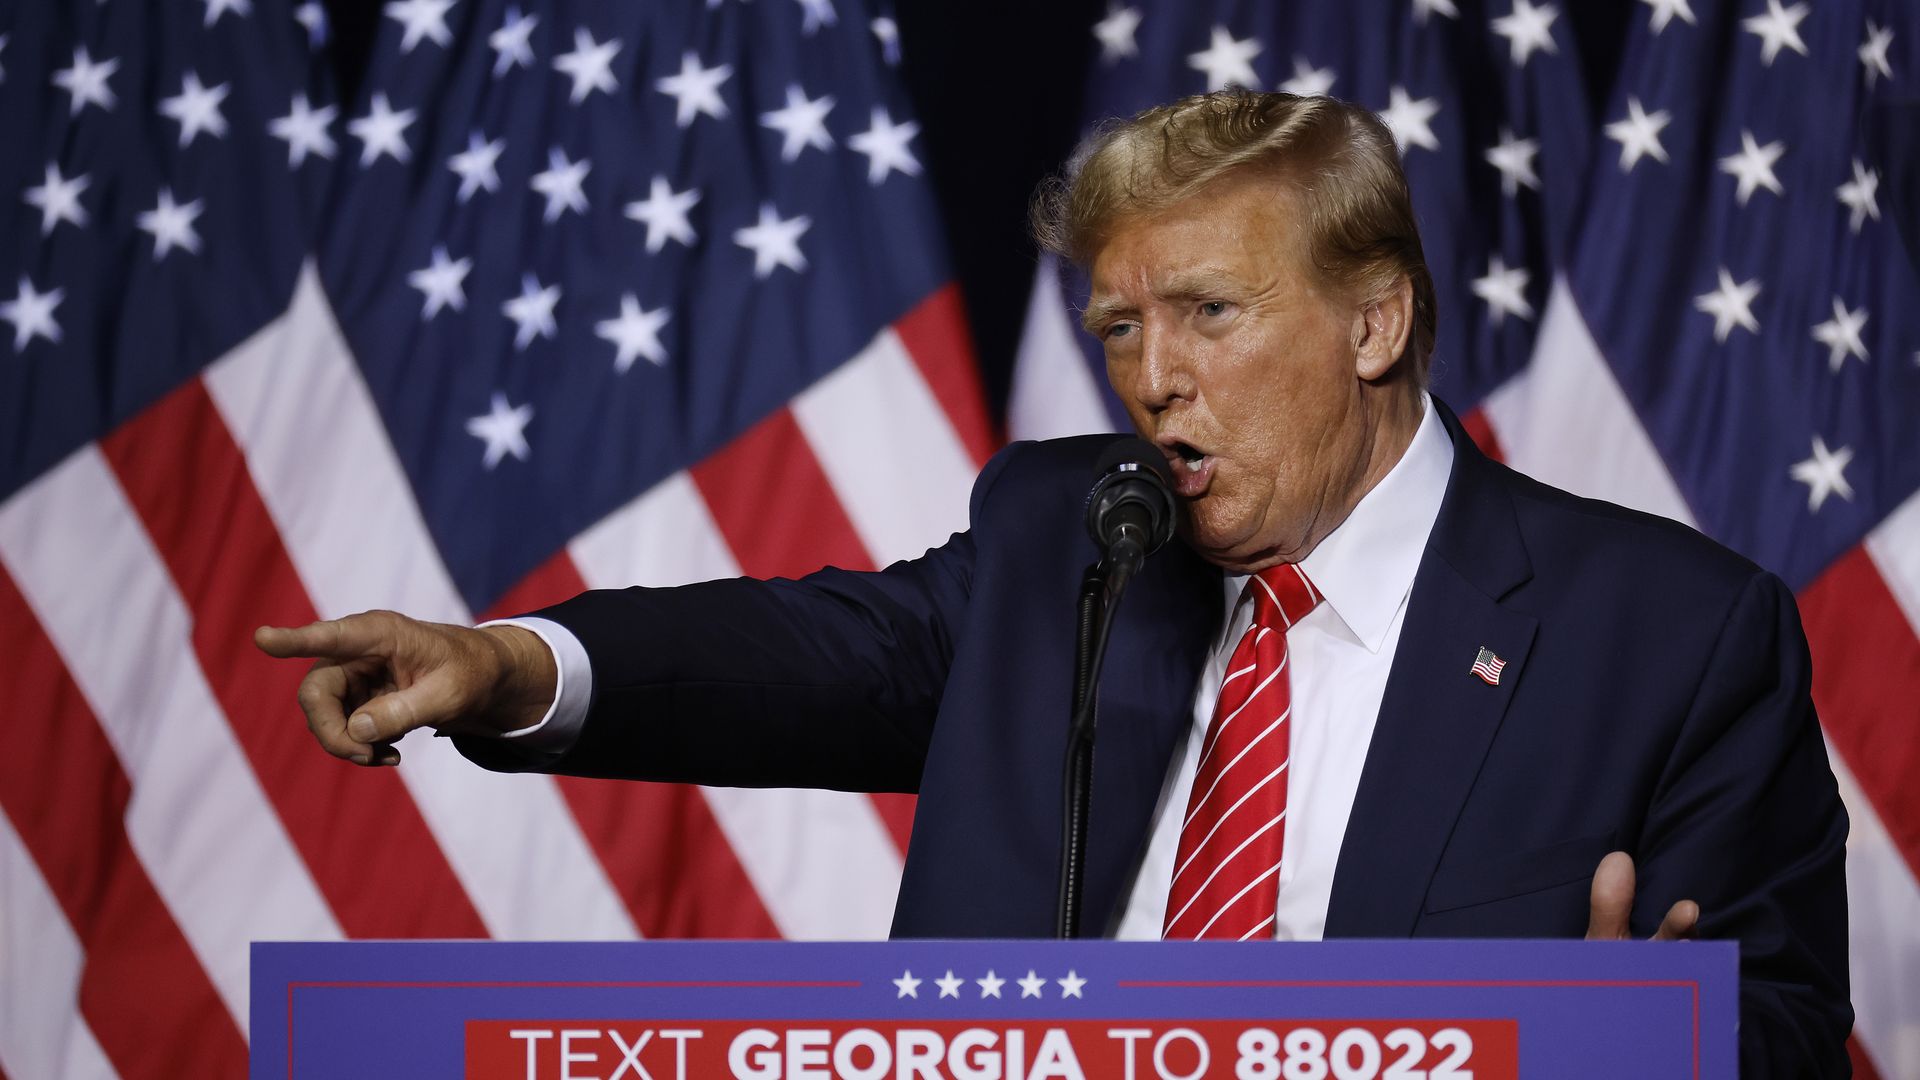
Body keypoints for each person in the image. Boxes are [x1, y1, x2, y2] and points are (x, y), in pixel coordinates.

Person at [257, 91, 1851, 1074]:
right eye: (1115, 331)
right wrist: (510, 666)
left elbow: (1785, 1037)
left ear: (1375, 323)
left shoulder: (1672, 633)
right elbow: (807, 654)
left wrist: (1634, 1045)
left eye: (1211, 315)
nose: (1151, 382)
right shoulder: (1075, 541)